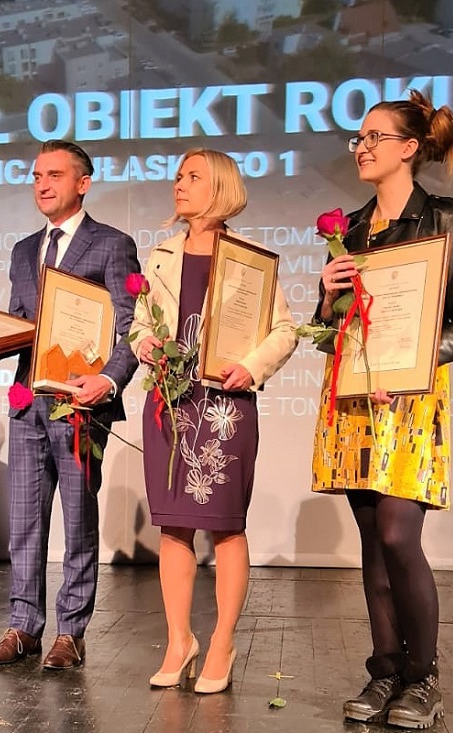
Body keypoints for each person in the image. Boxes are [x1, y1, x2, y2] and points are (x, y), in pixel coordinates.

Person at [0, 139, 141, 670]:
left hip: (80, 405)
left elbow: (132, 328)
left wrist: (107, 381)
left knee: (78, 520)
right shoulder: (25, 250)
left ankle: (71, 631)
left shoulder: (112, 245)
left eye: (54, 176)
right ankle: (23, 626)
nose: (42, 185)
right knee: (24, 522)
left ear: (83, 184)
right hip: (28, 405)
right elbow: (20, 329)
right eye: (37, 176)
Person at [310, 89, 453, 728]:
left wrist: (413, 366)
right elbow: (328, 332)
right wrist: (325, 296)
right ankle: (385, 670)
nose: (361, 147)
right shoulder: (349, 230)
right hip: (354, 402)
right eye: (358, 138)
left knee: (397, 535)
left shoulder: (443, 218)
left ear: (409, 148)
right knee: (371, 541)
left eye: (374, 137)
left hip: (409, 405)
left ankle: (423, 677)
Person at [128, 148, 298, 693]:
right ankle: (179, 641)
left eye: (193, 176)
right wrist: (143, 343)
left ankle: (222, 641)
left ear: (220, 187)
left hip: (225, 403)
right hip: (169, 401)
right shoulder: (160, 256)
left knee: (225, 525)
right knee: (173, 524)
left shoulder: (250, 257)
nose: (179, 184)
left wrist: (251, 367)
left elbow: (285, 330)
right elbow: (138, 324)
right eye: (178, 175)